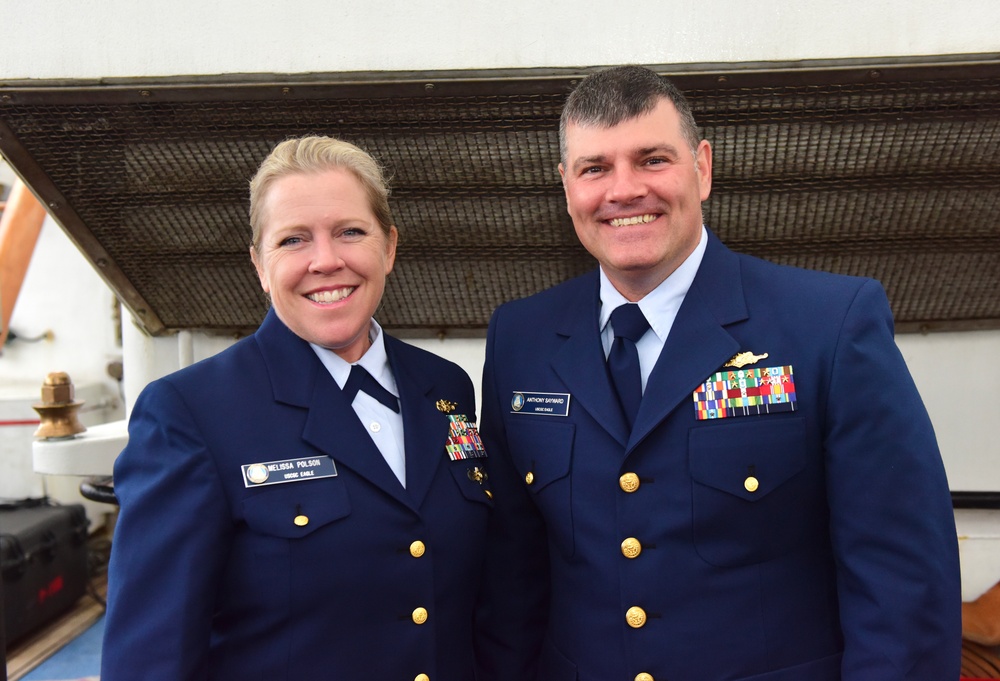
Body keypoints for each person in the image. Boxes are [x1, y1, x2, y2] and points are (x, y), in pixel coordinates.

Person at [475, 66, 961, 680]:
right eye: (594, 168)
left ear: (702, 168)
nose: (623, 190)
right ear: (567, 187)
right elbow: (512, 580)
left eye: (652, 160)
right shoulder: (521, 338)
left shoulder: (828, 325)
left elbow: (903, 581)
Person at [102, 136, 494, 680]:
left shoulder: (444, 387)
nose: (326, 261)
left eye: (350, 232)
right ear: (260, 265)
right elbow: (151, 658)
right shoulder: (190, 413)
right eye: (293, 240)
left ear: (390, 247)